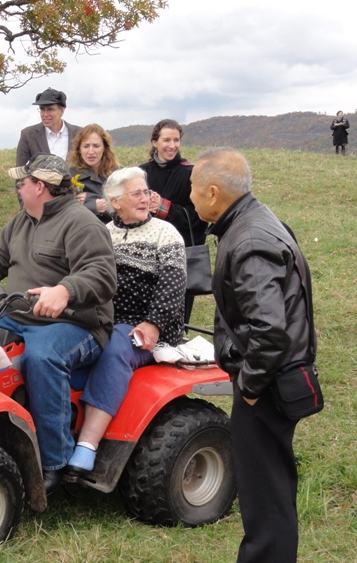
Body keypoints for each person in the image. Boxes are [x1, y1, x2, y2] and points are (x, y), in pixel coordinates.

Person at [0, 153, 117, 494]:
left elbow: (103, 275)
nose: (18, 187)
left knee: (42, 358)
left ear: (40, 187)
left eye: (23, 182)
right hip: (18, 316)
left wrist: (65, 290)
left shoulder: (82, 223)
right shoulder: (20, 222)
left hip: (78, 324)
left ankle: (54, 462)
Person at [189, 147, 312, 563]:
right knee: (271, 490)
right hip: (274, 379)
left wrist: (252, 387)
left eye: (191, 188)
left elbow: (270, 330)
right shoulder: (254, 221)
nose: (188, 197)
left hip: (268, 385)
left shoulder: (250, 239)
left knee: (264, 495)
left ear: (211, 192)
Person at [66, 167, 186, 474]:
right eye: (137, 194)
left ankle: (88, 445)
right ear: (116, 202)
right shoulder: (104, 233)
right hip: (104, 321)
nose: (146, 199)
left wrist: (154, 323)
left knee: (116, 346)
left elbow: (173, 287)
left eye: (146, 192)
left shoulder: (165, 233)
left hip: (147, 326)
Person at [139, 119, 207, 323]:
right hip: (146, 255)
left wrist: (165, 208)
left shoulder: (190, 173)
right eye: (166, 140)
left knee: (175, 313)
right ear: (155, 142)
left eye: (176, 140)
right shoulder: (141, 173)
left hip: (179, 254)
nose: (172, 145)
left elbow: (200, 217)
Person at [67, 124, 121, 223]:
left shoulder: (119, 174)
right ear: (79, 149)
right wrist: (93, 206)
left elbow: (127, 205)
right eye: (86, 146)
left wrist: (90, 198)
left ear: (104, 148)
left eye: (96, 146)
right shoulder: (69, 175)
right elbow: (66, 210)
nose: (91, 151)